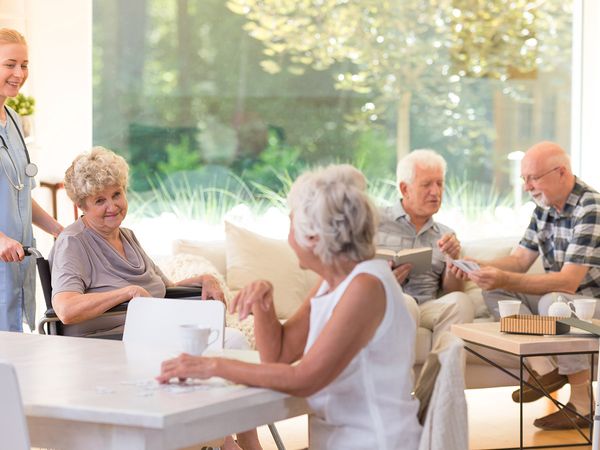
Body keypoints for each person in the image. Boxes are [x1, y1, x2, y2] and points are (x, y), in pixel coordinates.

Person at [157, 164, 423, 449]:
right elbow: (279, 356)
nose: (287, 237)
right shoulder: (335, 280)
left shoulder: (365, 287)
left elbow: (304, 379)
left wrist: (211, 365)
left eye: (291, 223)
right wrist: (264, 305)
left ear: (314, 237)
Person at [50, 146, 261, 450]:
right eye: (100, 200)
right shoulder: (74, 242)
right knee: (233, 344)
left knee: (233, 342)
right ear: (81, 205)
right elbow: (66, 309)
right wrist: (125, 293)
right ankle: (233, 442)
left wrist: (205, 279)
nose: (112, 206)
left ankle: (229, 439)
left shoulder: (128, 236)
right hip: (110, 345)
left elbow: (166, 289)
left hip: (151, 335)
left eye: (117, 194)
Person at [451, 141, 600, 430]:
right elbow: (519, 260)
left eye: (533, 177)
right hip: (560, 301)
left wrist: (502, 275)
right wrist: (477, 266)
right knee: (494, 289)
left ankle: (582, 404)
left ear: (561, 172)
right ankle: (545, 369)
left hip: (589, 306)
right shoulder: (544, 208)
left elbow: (569, 282)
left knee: (552, 302)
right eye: (524, 179)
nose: (527, 186)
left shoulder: (590, 207)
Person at [0, 28, 63, 332]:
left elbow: (20, 194)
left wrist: (56, 228)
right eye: (9, 64)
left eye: (24, 65)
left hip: (19, 259)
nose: (19, 73)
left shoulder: (13, 119)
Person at [377, 149, 473, 346]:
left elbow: (451, 291)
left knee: (460, 301)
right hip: (386, 302)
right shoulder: (375, 222)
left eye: (439, 183)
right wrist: (383, 280)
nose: (435, 192)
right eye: (426, 184)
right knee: (406, 302)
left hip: (429, 306)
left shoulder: (446, 235)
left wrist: (452, 259)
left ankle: (443, 377)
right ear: (405, 189)